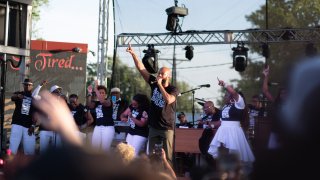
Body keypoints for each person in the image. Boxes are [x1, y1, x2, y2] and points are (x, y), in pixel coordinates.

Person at [126, 44, 179, 165]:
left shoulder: (173, 89)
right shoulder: (154, 83)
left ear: (168, 76)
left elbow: (169, 100)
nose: (159, 75)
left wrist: (160, 85)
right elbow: (141, 69)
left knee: (167, 157)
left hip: (166, 127)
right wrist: (133, 54)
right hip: (154, 126)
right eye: (159, 73)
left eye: (162, 74)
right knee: (151, 156)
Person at [208, 78, 255, 164]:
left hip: (233, 132)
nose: (224, 96)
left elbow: (234, 93)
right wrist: (211, 125)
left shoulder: (239, 105)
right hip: (223, 131)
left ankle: (236, 174)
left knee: (234, 156)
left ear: (231, 97)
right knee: (222, 155)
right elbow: (222, 122)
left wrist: (225, 84)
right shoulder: (225, 106)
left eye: (226, 95)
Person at [9, 79, 38, 155]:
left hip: (28, 126)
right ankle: (9, 163)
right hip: (17, 124)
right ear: (23, 85)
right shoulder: (19, 94)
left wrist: (33, 125)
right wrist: (18, 96)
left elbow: (35, 114)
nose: (27, 86)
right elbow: (12, 97)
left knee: (29, 148)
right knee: (13, 145)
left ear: (32, 86)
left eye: (29, 85)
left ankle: (29, 165)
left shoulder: (34, 99)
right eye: (26, 84)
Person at [262, 65, 287, 149]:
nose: (284, 95)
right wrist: (266, 76)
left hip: (288, 134)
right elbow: (265, 91)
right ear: (279, 94)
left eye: (286, 93)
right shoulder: (276, 102)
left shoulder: (293, 104)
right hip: (275, 132)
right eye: (282, 93)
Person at [87, 80, 114, 151]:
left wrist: (96, 88)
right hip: (98, 127)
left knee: (105, 149)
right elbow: (89, 105)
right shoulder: (96, 103)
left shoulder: (108, 102)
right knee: (94, 148)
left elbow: (102, 101)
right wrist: (89, 93)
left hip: (107, 128)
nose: (101, 94)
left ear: (105, 94)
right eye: (100, 93)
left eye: (103, 93)